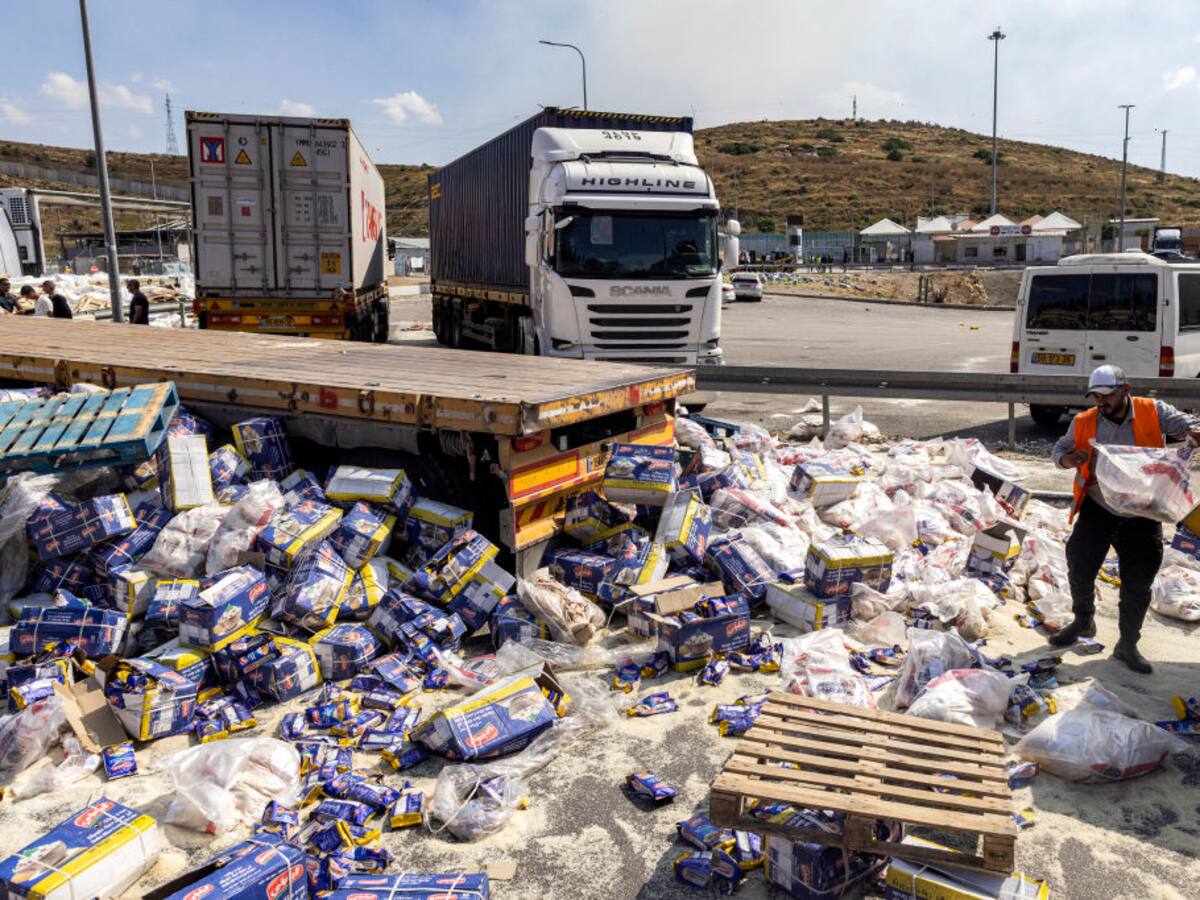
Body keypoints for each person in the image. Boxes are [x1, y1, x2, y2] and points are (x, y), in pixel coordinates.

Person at [1050, 364, 1200, 673]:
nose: (1101, 402)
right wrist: (1066, 459)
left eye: (1107, 395)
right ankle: (1083, 620)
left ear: (1125, 390)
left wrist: (1193, 430)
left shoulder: (1152, 410)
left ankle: (1128, 644)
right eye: (1096, 396)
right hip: (1099, 507)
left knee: (1138, 581)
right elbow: (1061, 448)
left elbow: (1185, 423)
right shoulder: (1084, 421)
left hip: (1142, 510)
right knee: (1079, 564)